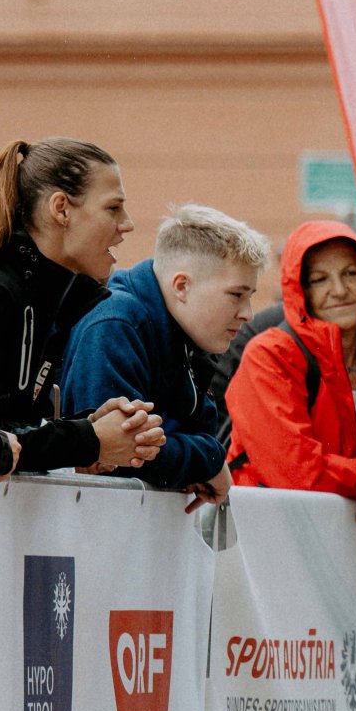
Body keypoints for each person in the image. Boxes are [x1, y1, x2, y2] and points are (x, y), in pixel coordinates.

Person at [0, 137, 163, 475]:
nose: (127, 223)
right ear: (61, 209)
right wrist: (88, 440)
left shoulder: (50, 298)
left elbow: (8, 436)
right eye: (113, 208)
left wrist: (89, 429)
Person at [65, 204, 270, 505]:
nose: (248, 314)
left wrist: (202, 459)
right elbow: (119, 454)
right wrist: (208, 462)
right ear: (182, 286)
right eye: (236, 295)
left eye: (249, 297)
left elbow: (200, 437)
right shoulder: (116, 325)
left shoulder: (190, 335)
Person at [224, 221, 356, 516]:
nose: (339, 290)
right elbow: (298, 473)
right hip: (263, 527)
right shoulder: (270, 355)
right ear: (300, 291)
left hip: (348, 533)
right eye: (320, 279)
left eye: (351, 274)